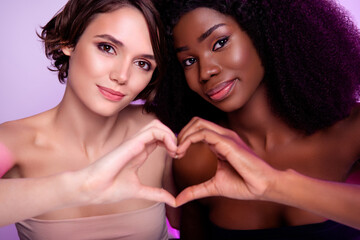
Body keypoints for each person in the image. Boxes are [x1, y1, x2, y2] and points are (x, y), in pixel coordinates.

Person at [153, 0, 360, 239]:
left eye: (220, 43)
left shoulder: (351, 131)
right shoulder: (196, 159)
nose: (205, 71)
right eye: (189, 61)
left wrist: (273, 185)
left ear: (263, 33)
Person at [0, 0, 179, 239]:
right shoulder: (12, 142)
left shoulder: (157, 132)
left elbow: (189, 222)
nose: (122, 76)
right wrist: (79, 187)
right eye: (107, 47)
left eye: (142, 64)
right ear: (69, 41)